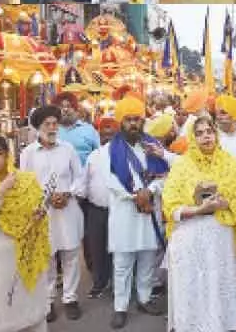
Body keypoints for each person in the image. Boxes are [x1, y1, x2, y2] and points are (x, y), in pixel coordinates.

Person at [161, 116, 236, 332]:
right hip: (190, 241)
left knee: (220, 286)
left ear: (216, 135)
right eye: (200, 133)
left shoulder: (231, 164)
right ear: (193, 138)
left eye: (209, 132)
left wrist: (226, 203)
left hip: (222, 243)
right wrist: (198, 210)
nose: (206, 137)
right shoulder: (182, 166)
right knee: (195, 287)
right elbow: (170, 205)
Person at [98, 97, 174, 329]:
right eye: (128, 119)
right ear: (121, 122)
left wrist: (150, 191)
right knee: (122, 263)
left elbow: (165, 176)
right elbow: (109, 181)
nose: (133, 123)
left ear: (143, 121)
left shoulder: (153, 146)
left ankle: (144, 298)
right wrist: (134, 196)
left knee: (147, 258)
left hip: (149, 210)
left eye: (137, 119)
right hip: (125, 213)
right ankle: (120, 307)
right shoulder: (108, 150)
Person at [0, 133, 51, 332]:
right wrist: (0, 192)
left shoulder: (26, 180)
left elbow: (38, 209)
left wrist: (38, 215)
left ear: (8, 155)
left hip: (26, 255)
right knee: (1, 314)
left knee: (31, 312)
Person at [19, 105, 84, 322]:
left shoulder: (68, 149)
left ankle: (70, 298)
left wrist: (67, 193)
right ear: (38, 127)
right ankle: (48, 302)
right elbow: (24, 185)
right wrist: (44, 200)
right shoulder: (28, 153)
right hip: (42, 212)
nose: (52, 127)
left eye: (55, 123)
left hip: (68, 209)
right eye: (47, 124)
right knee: (46, 257)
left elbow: (80, 178)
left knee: (71, 254)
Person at [80, 116, 117, 300]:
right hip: (96, 209)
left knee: (117, 249)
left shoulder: (124, 156)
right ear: (99, 136)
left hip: (118, 210)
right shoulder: (93, 156)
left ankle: (118, 285)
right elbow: (83, 183)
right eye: (104, 135)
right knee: (96, 248)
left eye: (111, 135)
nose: (107, 139)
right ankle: (99, 283)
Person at [55, 92, 98, 166]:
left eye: (69, 106)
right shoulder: (50, 130)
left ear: (76, 109)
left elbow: (99, 156)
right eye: (61, 106)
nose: (65, 109)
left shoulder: (89, 130)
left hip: (84, 172)